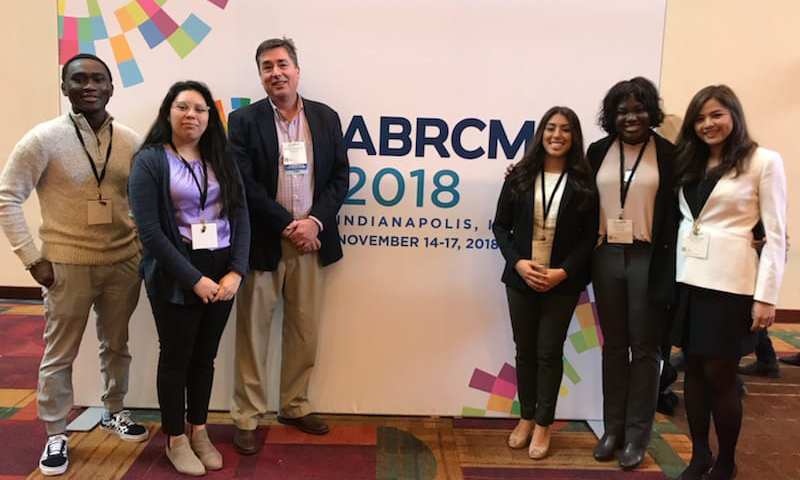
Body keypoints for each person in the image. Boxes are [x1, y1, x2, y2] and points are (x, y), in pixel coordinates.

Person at [0, 53, 147, 476]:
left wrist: (138, 246)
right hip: (65, 266)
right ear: (64, 88)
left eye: (98, 79)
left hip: (122, 264)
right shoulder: (42, 139)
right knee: (59, 354)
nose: (89, 86)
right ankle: (55, 433)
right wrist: (32, 259)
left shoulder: (130, 140)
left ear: (111, 87)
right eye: (78, 80)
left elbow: (143, 198)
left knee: (116, 346)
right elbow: (8, 197)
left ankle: (113, 410)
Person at [228, 37, 349, 454]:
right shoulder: (242, 121)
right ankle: (247, 415)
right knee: (252, 333)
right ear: (260, 75)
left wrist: (313, 222)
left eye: (282, 64)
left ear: (297, 70)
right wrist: (288, 225)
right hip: (264, 243)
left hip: (312, 243)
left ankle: (294, 405)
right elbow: (244, 183)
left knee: (304, 331)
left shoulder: (326, 117)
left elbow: (339, 178)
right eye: (266, 66)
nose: (275, 72)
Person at [128, 80, 250, 476]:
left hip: (222, 274)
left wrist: (236, 270)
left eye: (200, 109)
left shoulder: (221, 156)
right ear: (169, 112)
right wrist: (194, 279)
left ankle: (199, 430)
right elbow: (150, 232)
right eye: (183, 107)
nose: (192, 115)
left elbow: (242, 216)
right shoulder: (149, 160)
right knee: (175, 358)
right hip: (173, 274)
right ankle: (174, 438)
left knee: (205, 358)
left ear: (209, 117)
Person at [672, 85, 787, 480]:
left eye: (716, 114)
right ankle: (699, 455)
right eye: (700, 118)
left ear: (734, 115)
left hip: (731, 284)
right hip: (687, 278)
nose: (708, 124)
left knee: (721, 376)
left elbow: (775, 235)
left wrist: (767, 297)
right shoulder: (690, 162)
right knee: (694, 373)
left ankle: (726, 461)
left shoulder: (763, 161)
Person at [493, 107, 598, 459]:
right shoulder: (520, 175)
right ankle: (524, 417)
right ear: (541, 133)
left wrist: (563, 271)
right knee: (524, 351)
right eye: (551, 128)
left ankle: (543, 424)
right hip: (521, 278)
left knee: (549, 352)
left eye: (566, 129)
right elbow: (500, 226)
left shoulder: (584, 182)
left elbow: (588, 238)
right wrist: (519, 263)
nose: (557, 135)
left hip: (561, 282)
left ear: (574, 137)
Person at [588, 77, 677, 470]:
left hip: (648, 257)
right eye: (622, 111)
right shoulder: (597, 151)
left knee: (645, 349)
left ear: (651, 112)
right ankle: (613, 429)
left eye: (639, 109)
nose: (631, 117)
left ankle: (638, 435)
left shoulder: (670, 155)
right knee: (613, 346)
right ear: (612, 116)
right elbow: (569, 187)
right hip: (606, 255)